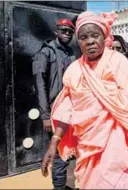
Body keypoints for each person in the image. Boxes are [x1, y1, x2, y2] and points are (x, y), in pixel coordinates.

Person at [40, 11, 128, 189]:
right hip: (87, 151)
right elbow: (66, 108)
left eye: (95, 35)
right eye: (84, 37)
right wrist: (54, 142)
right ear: (79, 41)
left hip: (119, 147)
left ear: (105, 36)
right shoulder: (74, 70)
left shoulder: (118, 64)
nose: (90, 41)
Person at [32, 18, 76, 190]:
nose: (67, 34)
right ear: (56, 32)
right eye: (63, 30)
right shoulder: (46, 53)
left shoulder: (70, 53)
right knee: (57, 152)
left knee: (69, 149)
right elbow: (39, 85)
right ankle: (58, 187)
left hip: (70, 109)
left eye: (70, 32)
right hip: (54, 111)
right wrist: (45, 115)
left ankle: (66, 185)